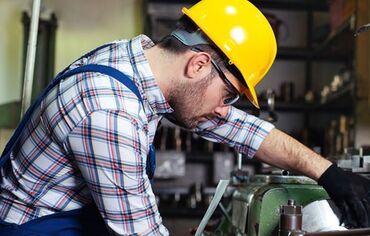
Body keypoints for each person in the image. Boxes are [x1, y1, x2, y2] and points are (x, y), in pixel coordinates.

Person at [0, 0, 369, 235]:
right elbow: (139, 233)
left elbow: (244, 131)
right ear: (198, 64)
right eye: (229, 96)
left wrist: (329, 173)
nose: (226, 110)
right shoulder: (110, 111)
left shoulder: (142, 65)